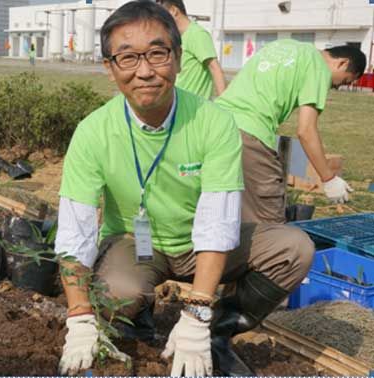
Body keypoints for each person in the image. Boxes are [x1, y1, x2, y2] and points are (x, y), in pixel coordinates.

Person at [55, 1, 314, 376]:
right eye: (127, 58)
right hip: (136, 241)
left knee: (293, 248)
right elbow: (75, 231)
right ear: (109, 69)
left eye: (158, 54)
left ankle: (215, 333)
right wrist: (79, 318)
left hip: (197, 244)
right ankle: (137, 316)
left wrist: (197, 312)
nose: (145, 71)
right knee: (116, 295)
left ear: (177, 59)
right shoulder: (93, 132)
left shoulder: (214, 123)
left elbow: (216, 222)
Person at [216, 40, 366, 224]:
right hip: (248, 132)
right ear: (342, 63)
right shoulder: (319, 67)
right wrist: (329, 178)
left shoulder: (284, 45)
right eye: (342, 81)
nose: (335, 87)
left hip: (215, 122)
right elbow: (306, 130)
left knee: (223, 203)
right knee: (269, 217)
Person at [156, 0, 226, 99]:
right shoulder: (178, 37)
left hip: (195, 108)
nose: (161, 21)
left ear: (174, 11)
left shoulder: (197, 34)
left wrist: (223, 105)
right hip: (179, 104)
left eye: (163, 16)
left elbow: (215, 69)